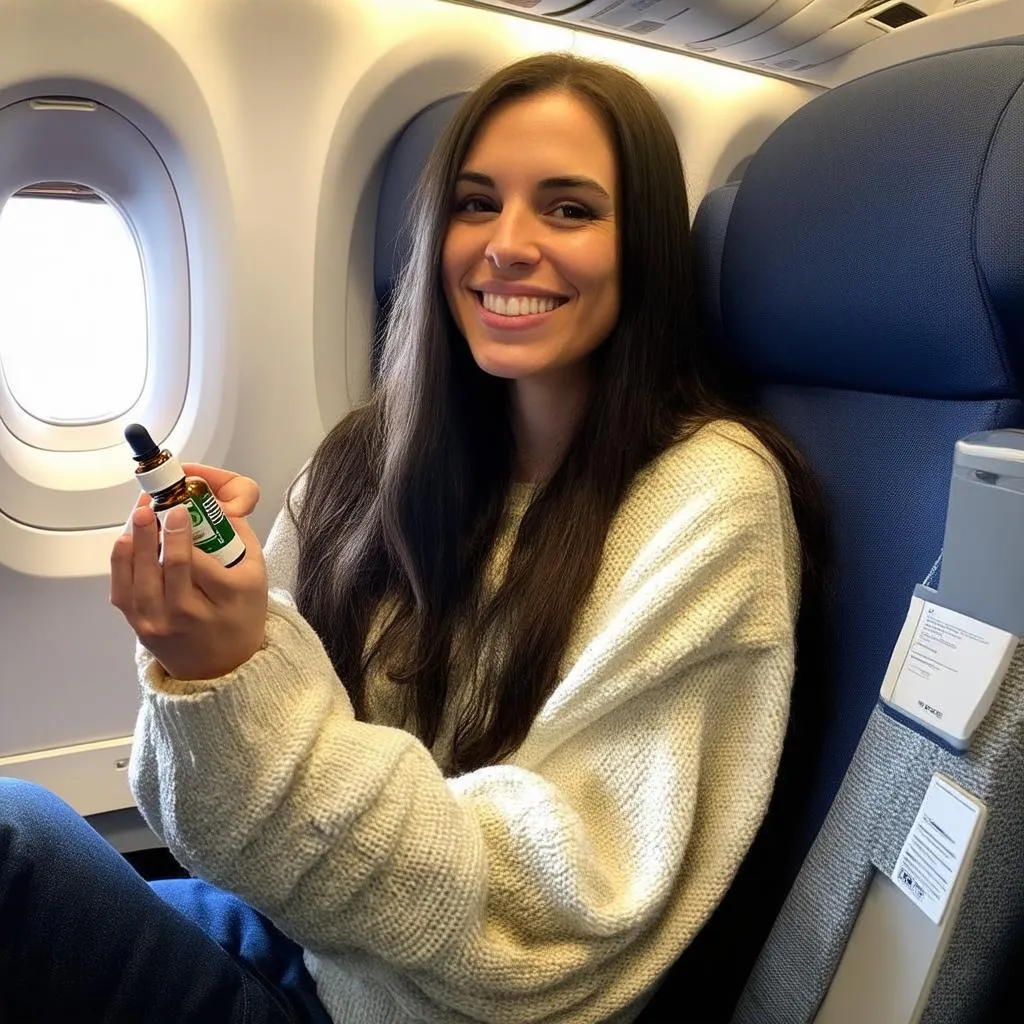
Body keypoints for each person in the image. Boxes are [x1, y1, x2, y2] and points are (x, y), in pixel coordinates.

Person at [0, 53, 823, 1023]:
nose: (507, 245)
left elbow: (559, 913)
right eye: (477, 203)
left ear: (641, 247)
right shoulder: (371, 455)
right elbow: (205, 811)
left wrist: (238, 675)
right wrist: (205, 658)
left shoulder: (711, 500)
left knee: (18, 842)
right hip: (299, 932)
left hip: (422, 1009)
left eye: (567, 209)